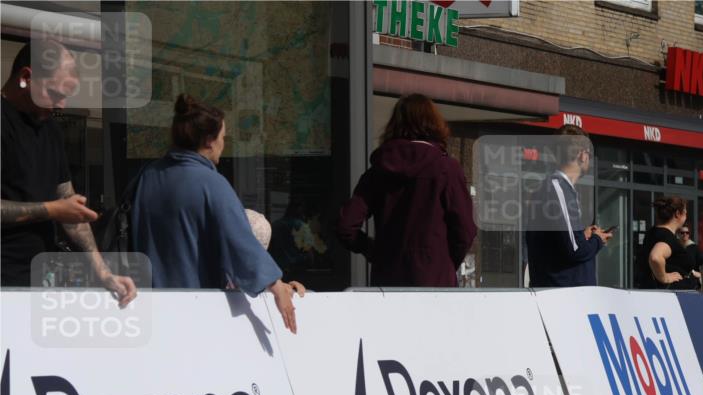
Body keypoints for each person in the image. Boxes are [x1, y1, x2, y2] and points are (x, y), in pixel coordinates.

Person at [132, 94, 303, 333]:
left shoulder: (148, 175)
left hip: (144, 304)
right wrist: (275, 284)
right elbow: (240, 241)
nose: (224, 144)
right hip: (194, 308)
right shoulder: (210, 183)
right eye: (223, 137)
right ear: (210, 141)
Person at [1, 40, 136, 305]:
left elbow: (70, 208)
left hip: (38, 283)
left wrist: (103, 273)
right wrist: (52, 210)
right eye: (54, 93)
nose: (62, 105)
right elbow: (59, 207)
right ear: (26, 77)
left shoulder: (49, 129)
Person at [337, 94, 476, 287]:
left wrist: (372, 250)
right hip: (435, 282)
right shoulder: (446, 169)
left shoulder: (379, 170)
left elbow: (345, 226)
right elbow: (465, 229)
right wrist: (443, 261)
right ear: (434, 124)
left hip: (387, 280)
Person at [525, 124, 612, 287]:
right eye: (589, 153)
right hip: (564, 294)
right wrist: (597, 240)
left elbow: (560, 242)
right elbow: (575, 249)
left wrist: (583, 235)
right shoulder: (558, 189)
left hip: (561, 291)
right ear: (582, 155)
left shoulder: (555, 188)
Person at [636, 196, 699, 290]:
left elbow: (671, 264)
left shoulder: (654, 232)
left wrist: (692, 273)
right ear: (678, 214)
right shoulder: (666, 236)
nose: (686, 216)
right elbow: (655, 257)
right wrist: (664, 277)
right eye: (685, 213)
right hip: (670, 297)